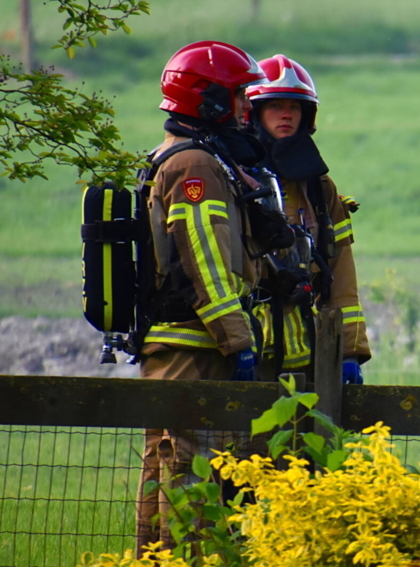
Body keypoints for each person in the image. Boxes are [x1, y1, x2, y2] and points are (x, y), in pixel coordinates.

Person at [136, 40, 274, 553]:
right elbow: (206, 261)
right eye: (239, 98)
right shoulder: (195, 165)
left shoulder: (187, 156)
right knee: (186, 482)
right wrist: (237, 340)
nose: (246, 111)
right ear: (209, 103)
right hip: (192, 349)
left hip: (188, 346)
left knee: (169, 475)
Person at [246, 54, 371, 383]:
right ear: (253, 114)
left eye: (295, 106)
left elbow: (342, 273)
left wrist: (350, 352)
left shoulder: (319, 188)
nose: (287, 114)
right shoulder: (234, 179)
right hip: (249, 346)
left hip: (309, 349)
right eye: (275, 105)